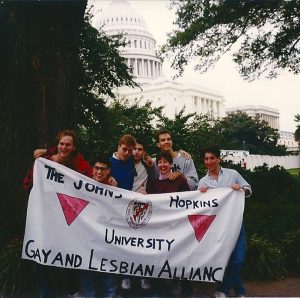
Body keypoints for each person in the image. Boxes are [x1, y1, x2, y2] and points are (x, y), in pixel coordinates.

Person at [23, 130, 93, 297]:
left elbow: (90, 179)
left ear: (74, 147)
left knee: (70, 250)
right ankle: (46, 292)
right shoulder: (43, 163)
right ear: (57, 145)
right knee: (42, 249)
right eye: (61, 144)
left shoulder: (77, 162)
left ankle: (72, 290)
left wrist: (106, 181)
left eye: (68, 144)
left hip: (66, 216)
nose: (64, 147)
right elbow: (28, 184)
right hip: (45, 214)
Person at [198, 145, 252, 298]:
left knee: (239, 259)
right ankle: (240, 291)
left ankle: (223, 289)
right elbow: (198, 206)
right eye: (206, 158)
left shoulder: (232, 173)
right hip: (216, 228)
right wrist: (200, 193)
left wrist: (241, 189)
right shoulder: (203, 181)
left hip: (235, 223)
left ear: (218, 159)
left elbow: (248, 189)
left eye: (212, 158)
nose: (209, 161)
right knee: (226, 260)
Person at [147, 151, 191, 297]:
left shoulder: (180, 180)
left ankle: (182, 290)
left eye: (165, 162)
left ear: (171, 164)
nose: (162, 165)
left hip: (178, 227)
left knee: (179, 257)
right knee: (159, 258)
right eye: (160, 162)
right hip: (159, 228)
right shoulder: (153, 183)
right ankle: (160, 290)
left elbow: (189, 200)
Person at [79, 155, 118, 298]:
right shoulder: (82, 184)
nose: (99, 172)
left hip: (105, 236)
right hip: (85, 234)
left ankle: (110, 295)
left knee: (107, 268)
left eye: (103, 169)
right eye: (97, 168)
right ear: (92, 169)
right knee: (84, 267)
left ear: (108, 171)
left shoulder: (115, 189)